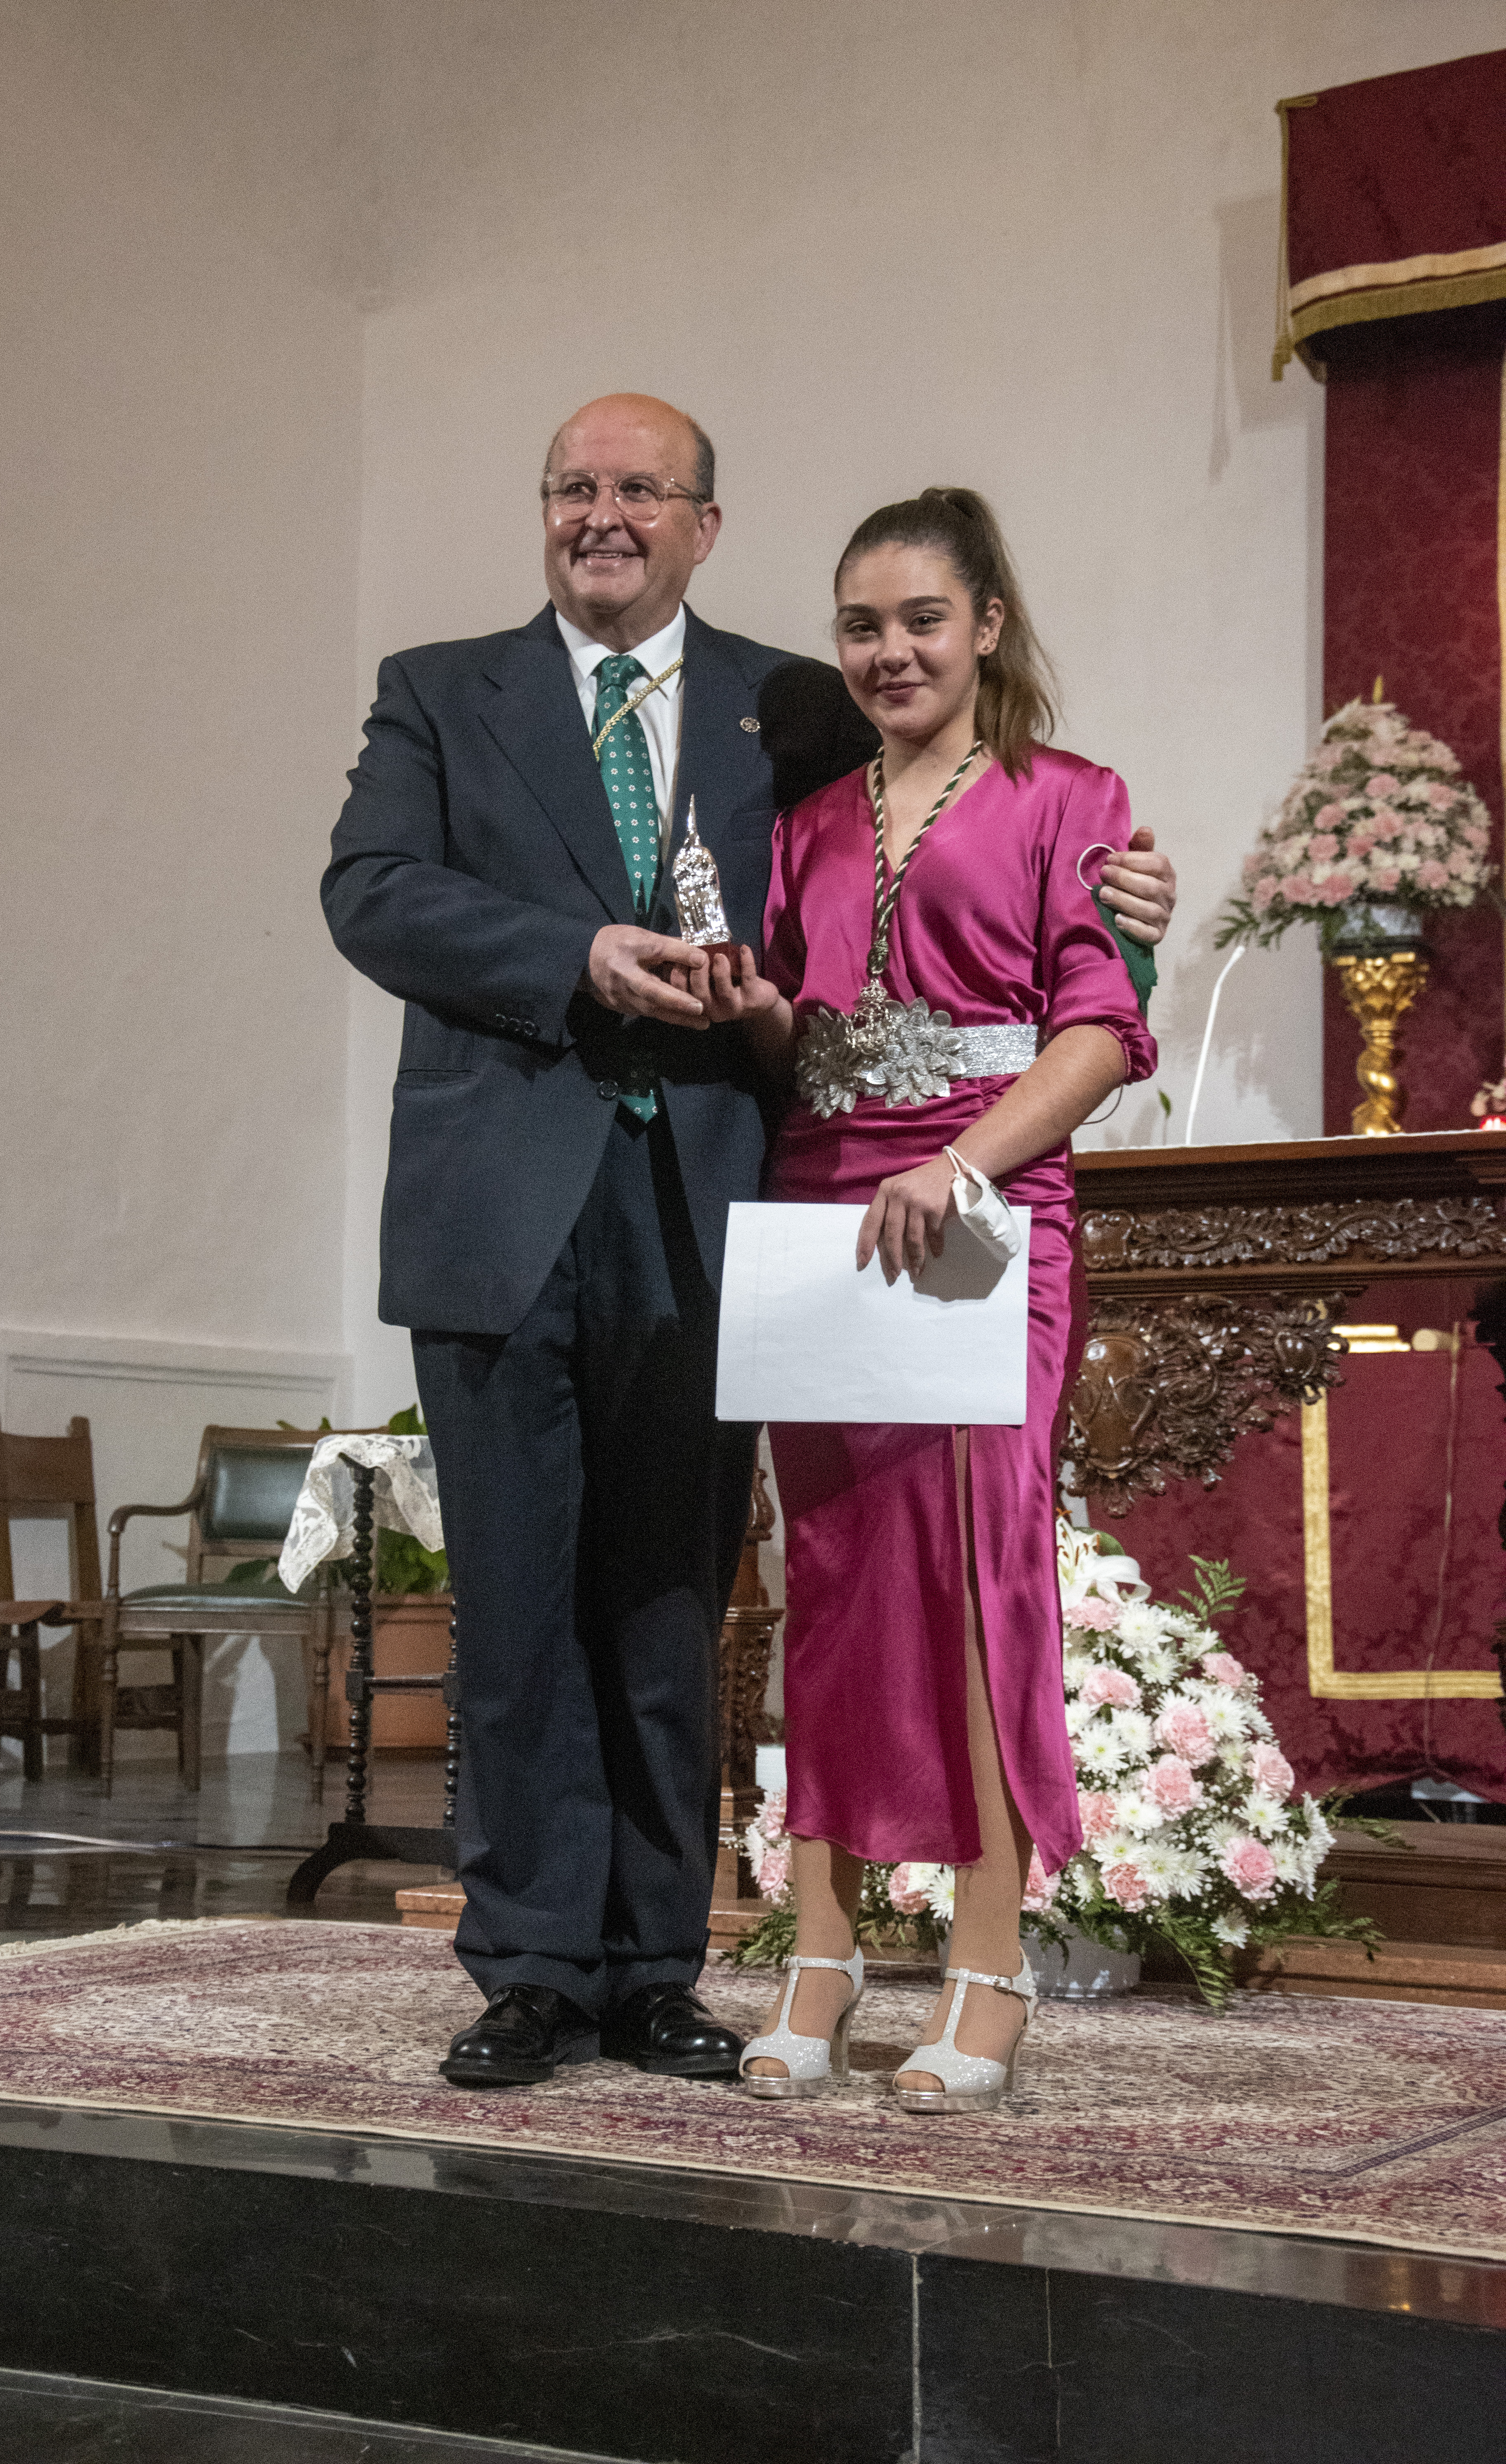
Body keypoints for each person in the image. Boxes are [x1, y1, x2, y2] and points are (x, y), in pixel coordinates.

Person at [322, 402, 1176, 2091]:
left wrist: (1130, 908)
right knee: (514, 1606)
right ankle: (532, 1967)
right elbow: (372, 893)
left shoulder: (788, 704)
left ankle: (659, 1963)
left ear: (706, 524)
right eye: (574, 487)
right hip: (503, 1212)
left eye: (641, 489)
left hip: (734, 1219)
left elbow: (974, 862)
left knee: (676, 1604)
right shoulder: (438, 688)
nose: (604, 515)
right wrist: (578, 953)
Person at [679, 487, 1156, 2113]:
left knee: (973, 1582)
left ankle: (987, 1970)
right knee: (830, 1581)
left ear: (987, 629)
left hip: (981, 1218)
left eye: (920, 622)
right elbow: (794, 1047)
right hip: (823, 1211)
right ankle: (815, 1963)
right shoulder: (804, 827)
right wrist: (750, 1010)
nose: (890, 652)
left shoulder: (1069, 799)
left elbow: (1093, 1036)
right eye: (862, 627)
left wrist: (958, 1165)